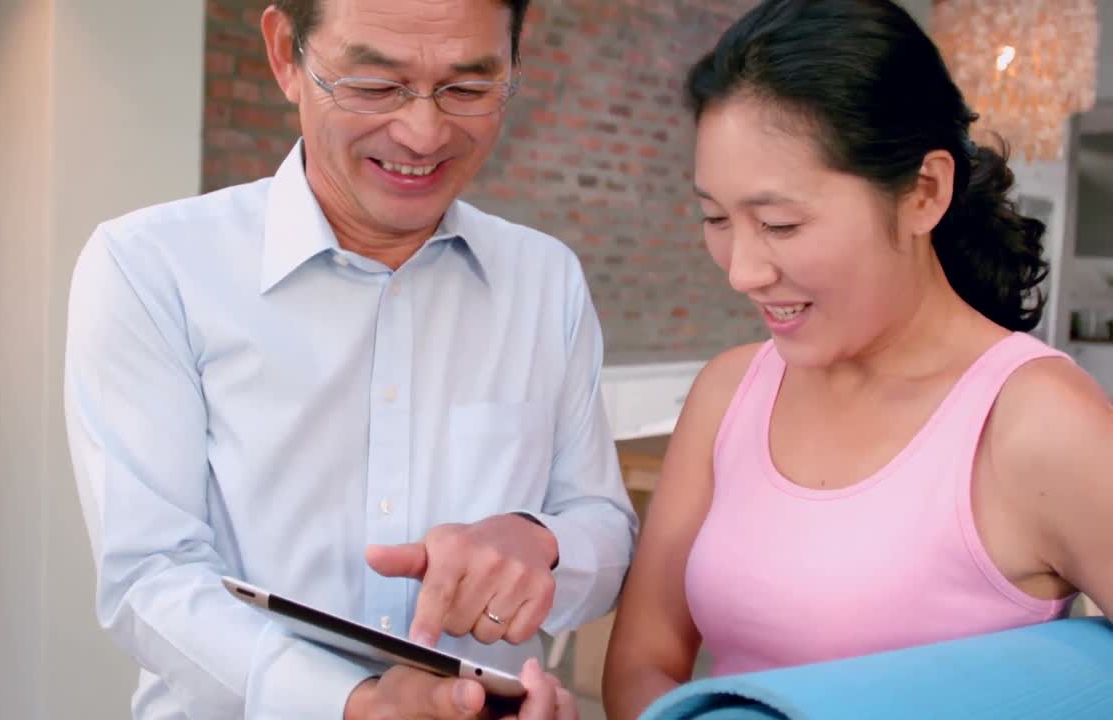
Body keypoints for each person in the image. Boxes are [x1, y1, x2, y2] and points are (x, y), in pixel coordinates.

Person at [62, 0, 638, 718]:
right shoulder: (152, 269)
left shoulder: (545, 280)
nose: (423, 132)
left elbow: (605, 530)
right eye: (374, 85)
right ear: (286, 54)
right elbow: (150, 575)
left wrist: (540, 542)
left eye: (467, 87)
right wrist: (353, 702)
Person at [601, 1, 1113, 717]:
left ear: (924, 193)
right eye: (716, 218)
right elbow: (642, 663)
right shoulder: (730, 391)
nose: (742, 271)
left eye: (780, 224)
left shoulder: (1035, 422)